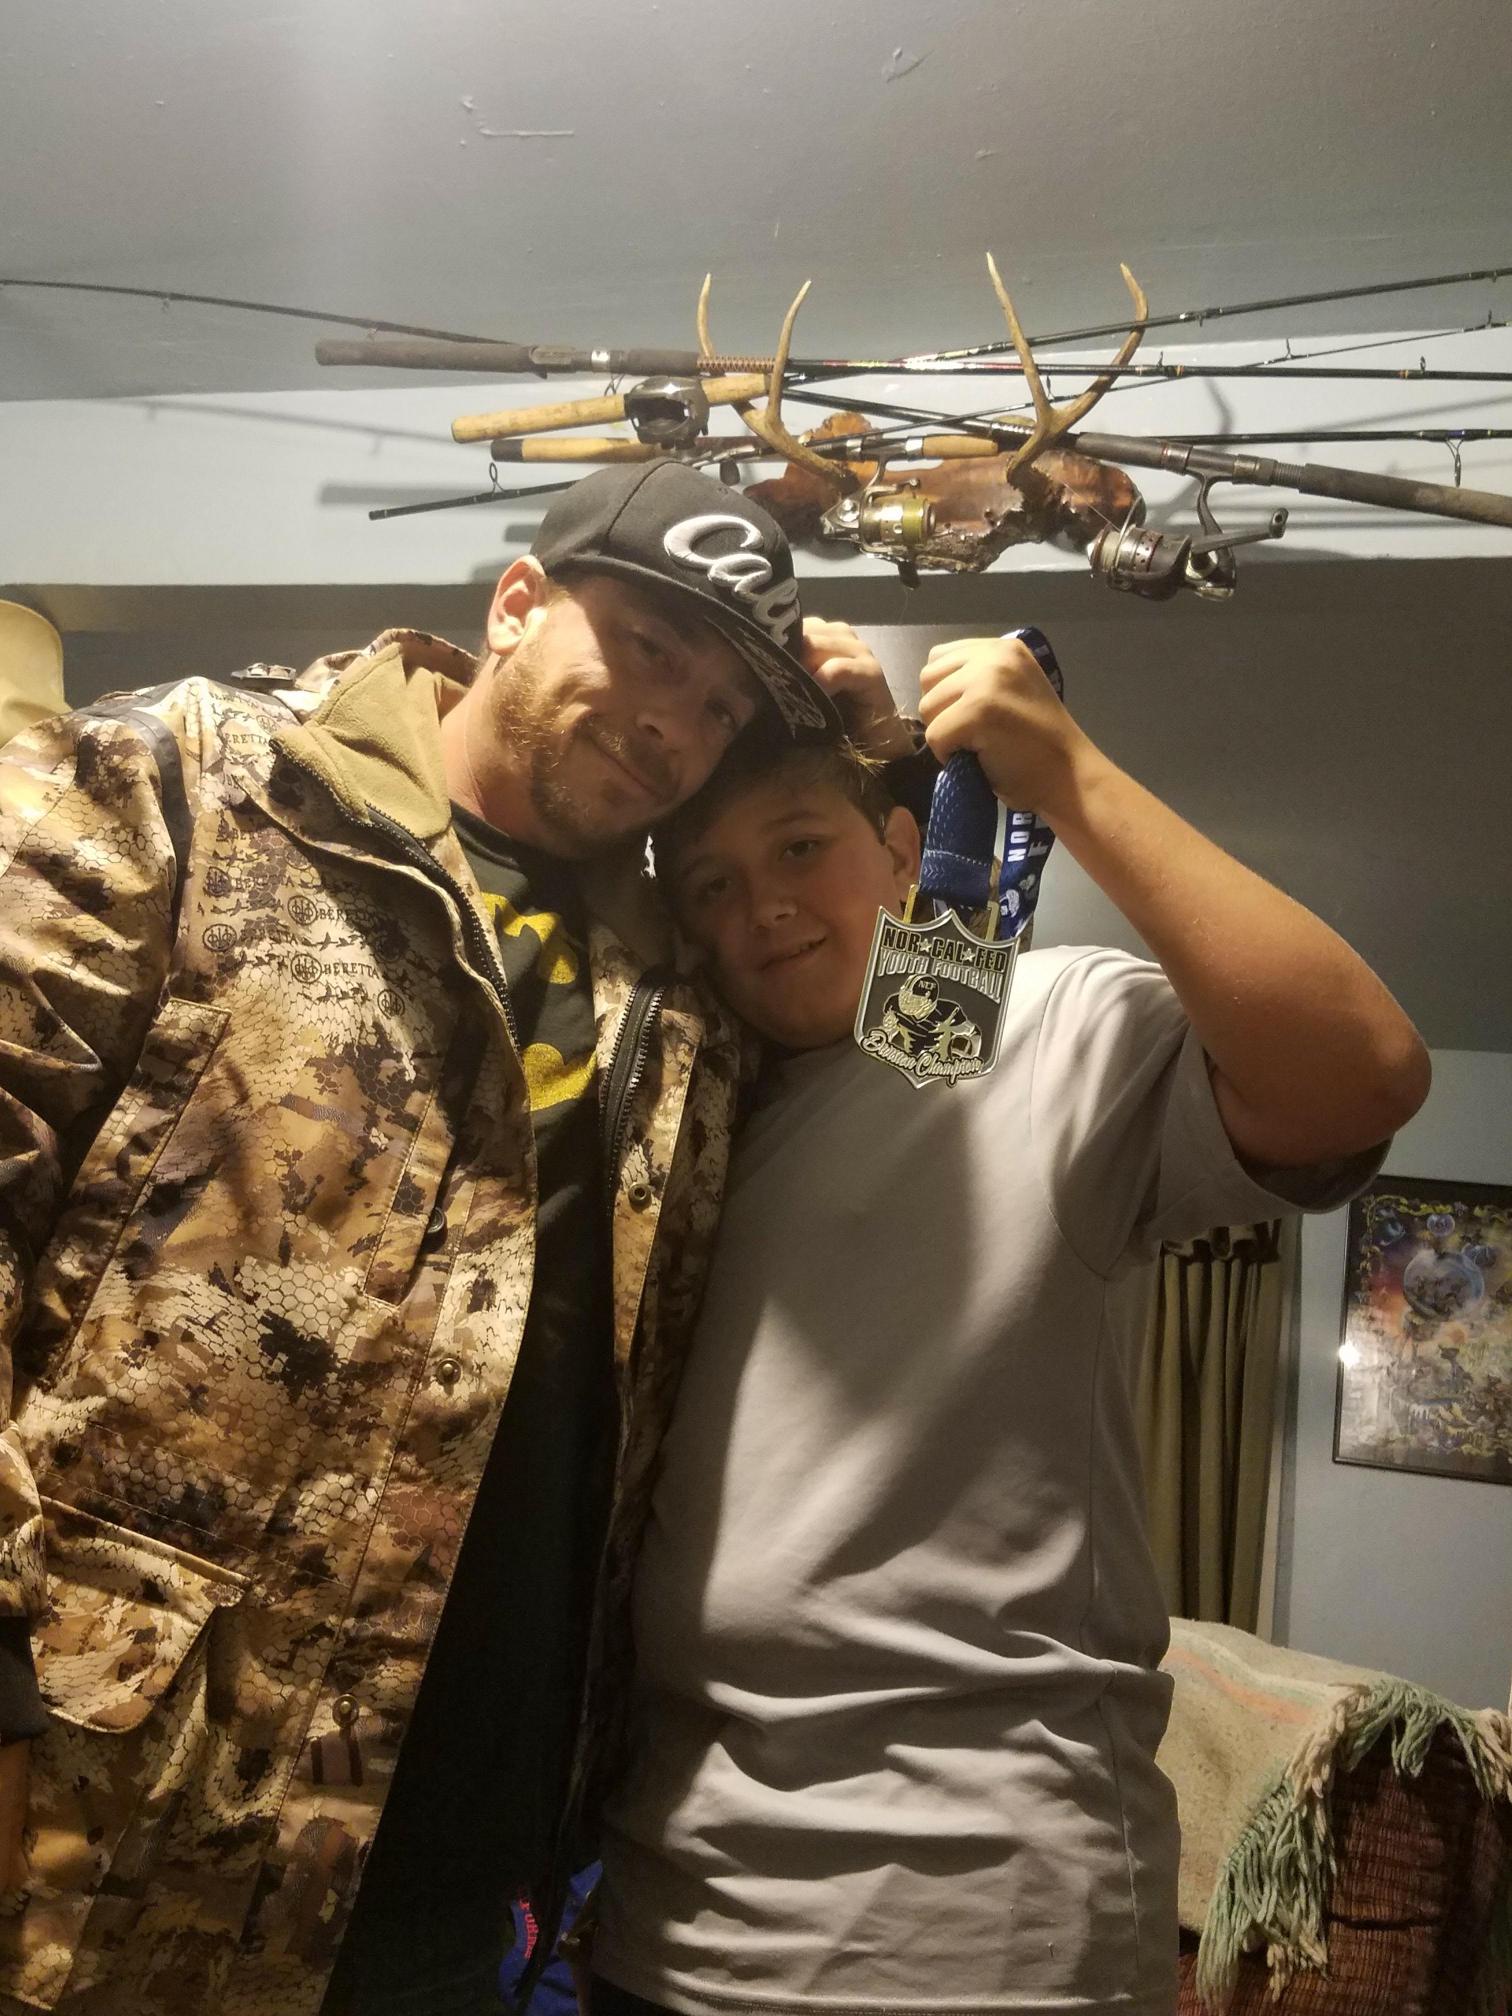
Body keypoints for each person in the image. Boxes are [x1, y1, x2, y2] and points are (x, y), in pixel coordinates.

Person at [0, 461, 903, 2016]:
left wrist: (889, 762)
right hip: (116, 1808)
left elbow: (940, 1052)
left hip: (467, 1848)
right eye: (651, 649)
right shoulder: (192, 779)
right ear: (516, 604)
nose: (672, 725)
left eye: (716, 712)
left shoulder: (687, 957)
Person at [589, 632, 1431, 2016]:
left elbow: (1364, 1075)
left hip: (969, 1925)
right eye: (712, 885)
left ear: (903, 854)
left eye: (800, 849)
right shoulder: (696, 1094)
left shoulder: (1018, 1033)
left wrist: (1066, 775)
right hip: (667, 1918)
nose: (761, 909)